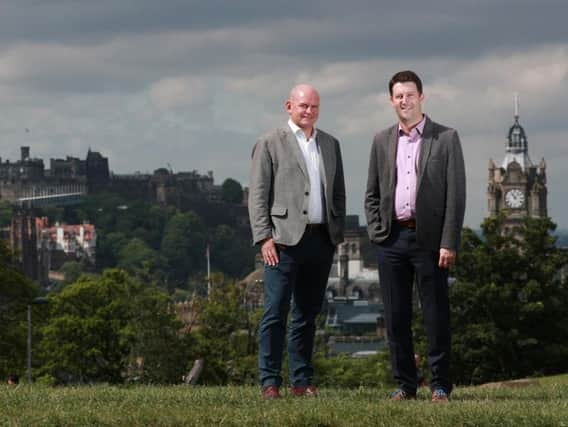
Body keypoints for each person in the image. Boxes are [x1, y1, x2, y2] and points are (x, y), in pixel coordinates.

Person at [365, 70, 466, 402]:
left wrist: (449, 241)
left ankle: (439, 384)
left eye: (410, 94)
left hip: (431, 241)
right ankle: (405, 385)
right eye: (398, 96)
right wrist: (378, 232)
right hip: (392, 239)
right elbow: (372, 193)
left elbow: (456, 195)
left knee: (435, 314)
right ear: (391, 101)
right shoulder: (381, 140)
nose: (404, 100)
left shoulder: (446, 137)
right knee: (396, 317)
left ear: (422, 97)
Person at [249, 84, 346, 399]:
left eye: (315, 107)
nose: (309, 111)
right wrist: (263, 237)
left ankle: (301, 381)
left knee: (307, 313)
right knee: (275, 311)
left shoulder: (331, 144)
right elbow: (258, 195)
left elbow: (339, 193)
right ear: (289, 106)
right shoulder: (269, 143)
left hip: (321, 240)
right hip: (283, 241)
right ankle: (270, 381)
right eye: (304, 106)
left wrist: (336, 234)